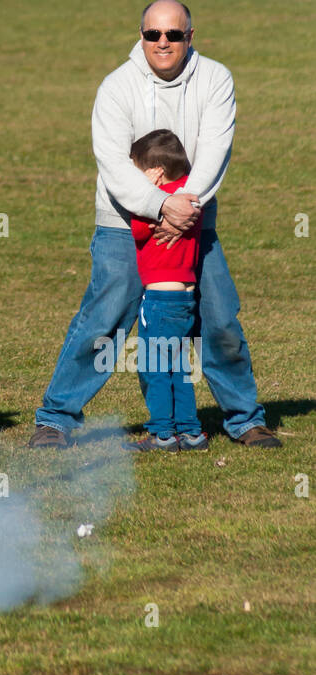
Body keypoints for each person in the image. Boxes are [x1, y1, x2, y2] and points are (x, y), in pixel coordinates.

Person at [29, 0, 280, 449]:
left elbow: (215, 150)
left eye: (173, 35)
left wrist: (185, 207)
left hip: (194, 223)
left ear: (190, 36)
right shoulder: (116, 86)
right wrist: (159, 207)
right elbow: (112, 162)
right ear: (141, 34)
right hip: (124, 222)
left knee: (219, 318)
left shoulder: (215, 79)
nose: (162, 42)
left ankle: (245, 419)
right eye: (153, 34)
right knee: (105, 316)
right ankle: (56, 418)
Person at [128, 129, 207, 452]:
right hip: (185, 297)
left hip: (160, 300)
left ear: (155, 172)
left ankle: (162, 434)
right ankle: (191, 432)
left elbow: (136, 232)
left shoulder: (159, 202)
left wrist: (148, 199)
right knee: (178, 366)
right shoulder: (190, 199)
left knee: (153, 367)